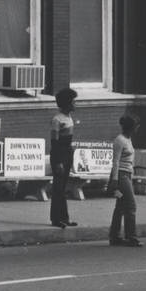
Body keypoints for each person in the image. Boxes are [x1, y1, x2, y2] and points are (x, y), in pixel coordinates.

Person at [107, 114, 142, 246]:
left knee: (120, 206)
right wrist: (114, 180)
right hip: (121, 176)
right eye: (136, 126)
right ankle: (131, 236)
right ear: (131, 127)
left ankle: (114, 236)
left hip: (127, 174)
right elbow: (115, 162)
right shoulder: (120, 140)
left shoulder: (128, 139)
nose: (137, 129)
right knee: (131, 206)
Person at [49, 86, 79, 229]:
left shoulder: (69, 117)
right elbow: (54, 142)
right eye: (73, 102)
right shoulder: (57, 119)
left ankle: (64, 218)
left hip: (67, 153)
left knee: (63, 187)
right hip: (59, 155)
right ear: (67, 103)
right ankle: (56, 219)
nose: (75, 104)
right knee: (58, 188)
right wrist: (58, 161)